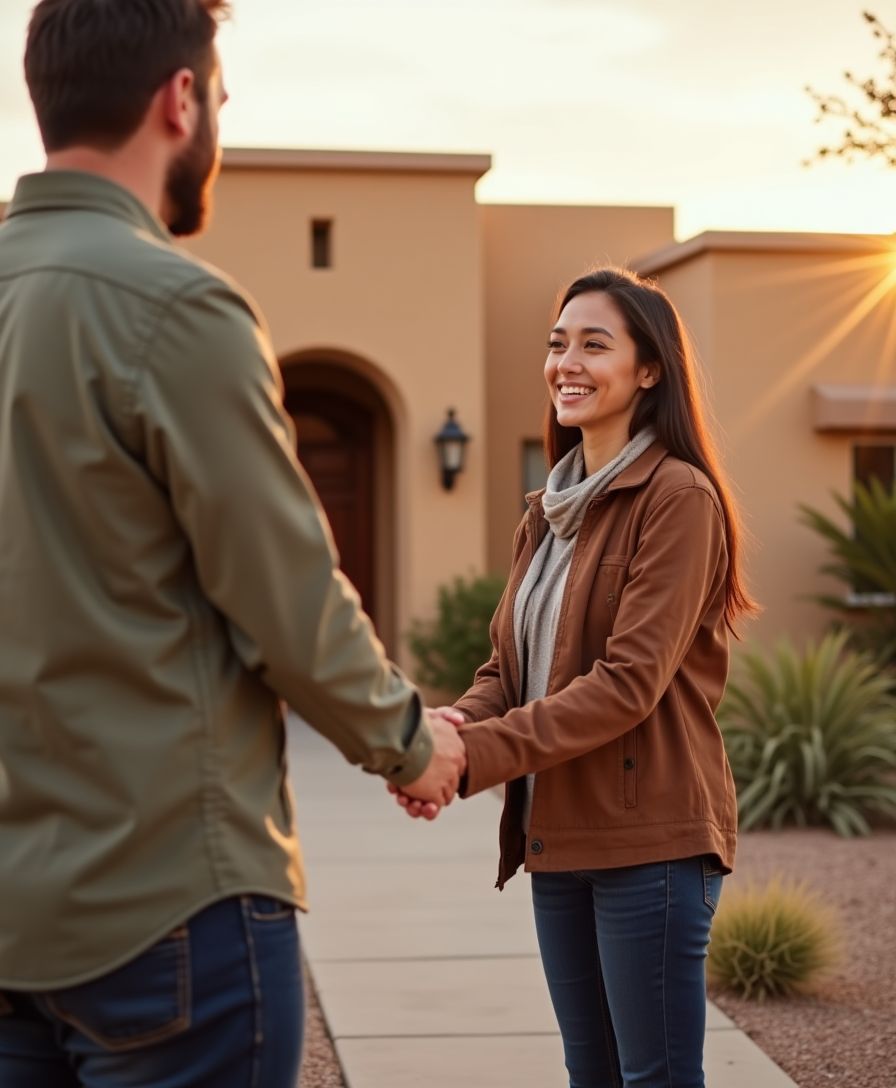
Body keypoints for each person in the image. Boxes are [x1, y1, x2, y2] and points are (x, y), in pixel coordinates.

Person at [0, 2, 465, 1086]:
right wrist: (411, 738)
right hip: (166, 903)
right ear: (180, 99)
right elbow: (284, 594)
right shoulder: (173, 307)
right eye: (219, 98)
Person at [395, 267, 757, 1088]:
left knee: (653, 1079)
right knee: (591, 1076)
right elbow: (508, 670)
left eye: (596, 344)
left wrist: (475, 759)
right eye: (558, 344)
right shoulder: (552, 509)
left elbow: (628, 682)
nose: (568, 362)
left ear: (649, 369)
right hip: (558, 839)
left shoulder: (677, 497)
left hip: (652, 846)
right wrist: (444, 731)